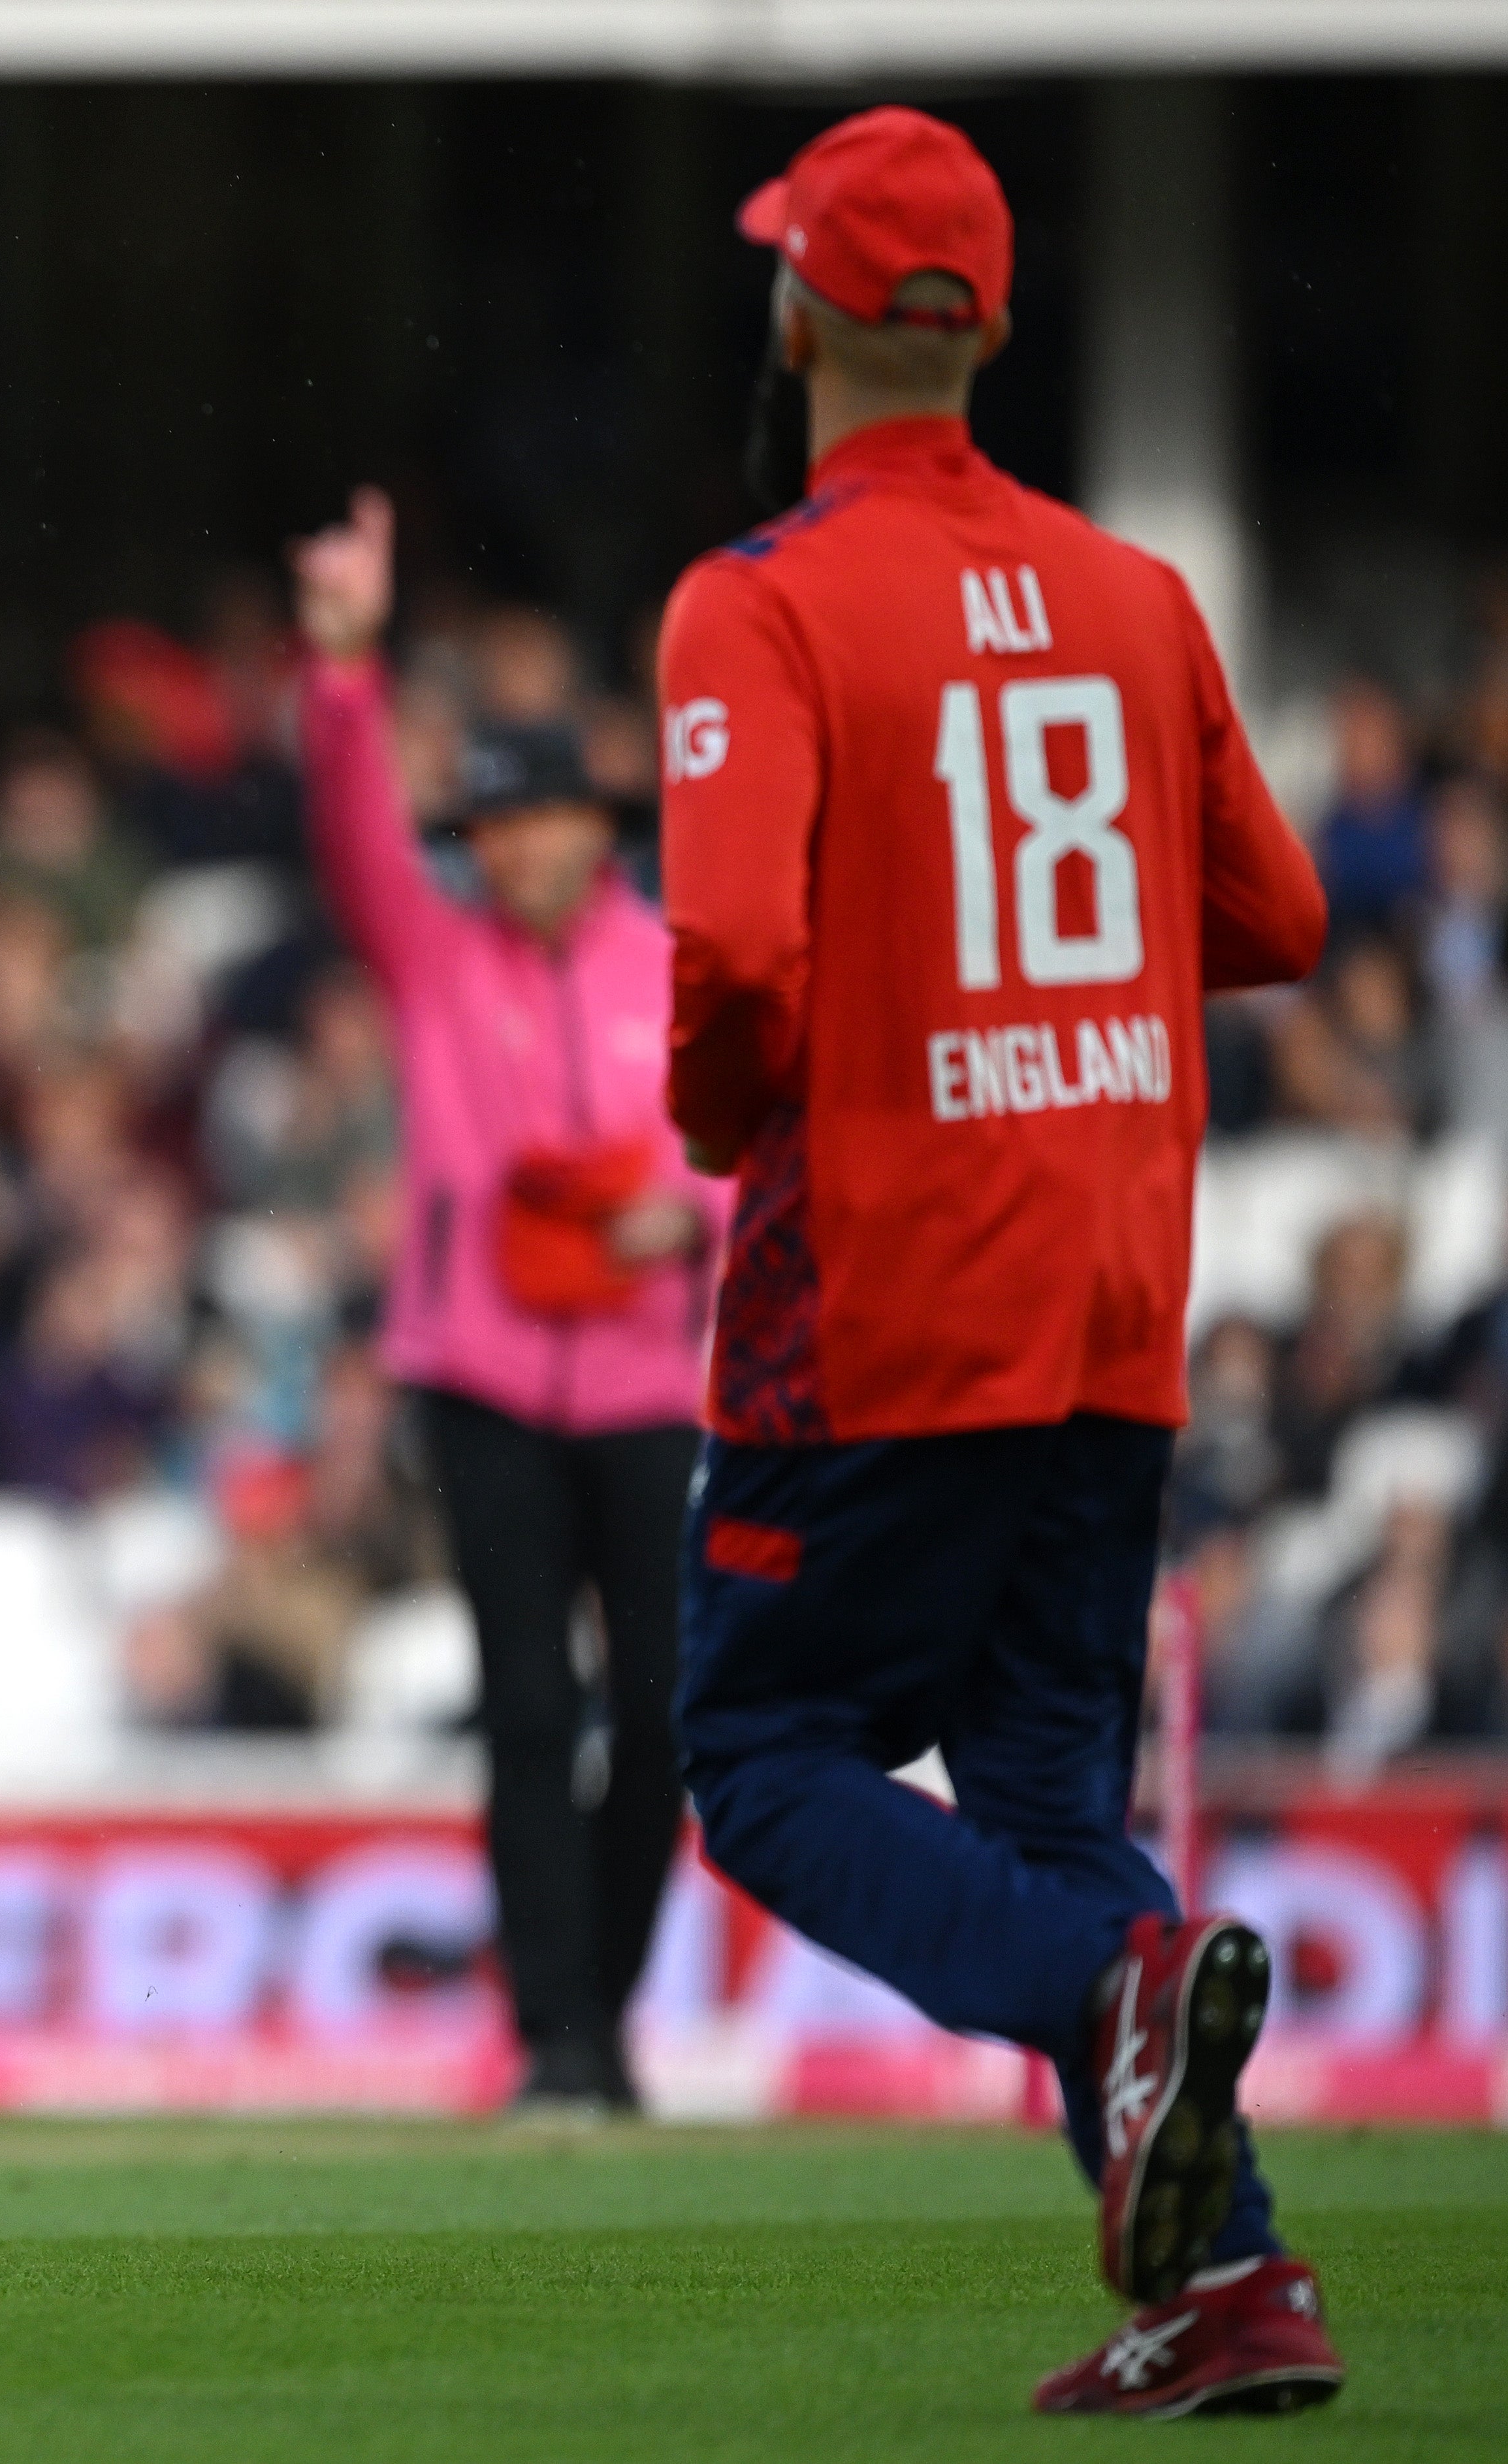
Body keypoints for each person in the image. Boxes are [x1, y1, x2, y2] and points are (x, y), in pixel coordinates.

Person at [657, 108, 1343, 2416]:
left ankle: (1106, 1997)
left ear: (796, 314)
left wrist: (711, 1111)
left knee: (758, 1751)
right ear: (991, 323)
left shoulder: (754, 595)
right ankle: (1227, 2285)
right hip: (1112, 1292)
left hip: (879, 1278)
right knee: (1047, 1802)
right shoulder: (1137, 599)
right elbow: (1274, 915)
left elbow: (738, 952)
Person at [287, 491, 720, 2117]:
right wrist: (344, 665)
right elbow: (348, 827)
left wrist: (695, 1209)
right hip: (475, 1375)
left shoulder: (671, 966)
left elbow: (751, 1138)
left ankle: (593, 2022)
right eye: (493, 828)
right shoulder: (438, 955)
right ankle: (558, 2042)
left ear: (594, 830)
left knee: (668, 1721)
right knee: (529, 1711)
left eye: (537, 821)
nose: (515, 849)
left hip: (646, 1388)